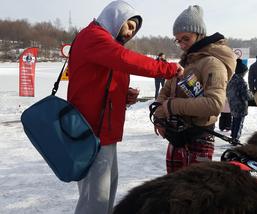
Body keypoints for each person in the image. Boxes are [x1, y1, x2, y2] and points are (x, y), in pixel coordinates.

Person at [67, 1, 183, 213]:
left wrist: (123, 94)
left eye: (134, 30)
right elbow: (125, 59)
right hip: (91, 131)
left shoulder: (104, 42)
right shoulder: (94, 36)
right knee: (95, 201)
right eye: (129, 25)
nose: (130, 33)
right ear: (115, 18)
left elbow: (100, 80)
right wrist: (167, 68)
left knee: (105, 193)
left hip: (104, 132)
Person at [153, 5, 236, 174]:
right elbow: (166, 90)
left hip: (199, 137)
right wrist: (159, 115)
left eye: (186, 39)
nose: (182, 45)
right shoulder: (186, 62)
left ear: (200, 35)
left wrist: (171, 106)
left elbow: (214, 104)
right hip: (176, 136)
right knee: (172, 191)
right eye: (178, 40)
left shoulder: (212, 63)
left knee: (195, 195)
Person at [227, 59, 250, 142]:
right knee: (239, 122)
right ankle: (236, 138)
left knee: (234, 120)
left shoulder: (231, 80)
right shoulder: (242, 82)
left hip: (232, 104)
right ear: (242, 72)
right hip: (240, 105)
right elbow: (246, 96)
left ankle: (233, 135)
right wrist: (250, 95)